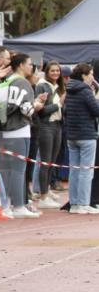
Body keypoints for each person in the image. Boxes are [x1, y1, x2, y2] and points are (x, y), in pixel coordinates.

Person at [0, 52, 47, 217]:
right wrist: (37, 105)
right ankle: (18, 205)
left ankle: (10, 204)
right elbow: (26, 109)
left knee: (8, 169)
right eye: (28, 64)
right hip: (19, 128)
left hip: (5, 128)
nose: (31, 67)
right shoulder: (22, 82)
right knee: (19, 169)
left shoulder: (6, 80)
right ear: (20, 65)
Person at [63, 63, 99, 214]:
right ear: (84, 76)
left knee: (74, 170)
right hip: (86, 135)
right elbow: (96, 110)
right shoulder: (85, 91)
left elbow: (65, 111)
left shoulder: (70, 89)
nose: (92, 77)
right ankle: (83, 204)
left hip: (72, 135)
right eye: (90, 74)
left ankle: (75, 203)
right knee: (86, 171)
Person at [34, 61, 65, 209]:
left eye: (57, 71)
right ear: (47, 71)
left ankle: (47, 190)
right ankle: (43, 196)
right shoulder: (42, 85)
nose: (55, 73)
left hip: (58, 126)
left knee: (52, 161)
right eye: (52, 71)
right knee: (45, 162)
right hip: (46, 126)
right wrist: (59, 105)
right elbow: (41, 110)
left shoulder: (58, 87)